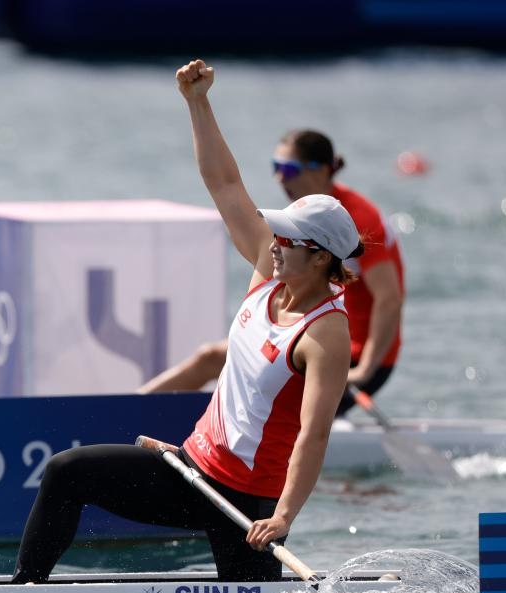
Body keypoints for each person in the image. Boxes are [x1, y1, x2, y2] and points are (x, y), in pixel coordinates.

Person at [12, 60, 363, 584]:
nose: (275, 244)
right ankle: (25, 592)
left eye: (288, 240)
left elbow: (313, 436)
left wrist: (284, 516)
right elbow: (224, 183)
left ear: (320, 258)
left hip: (247, 503)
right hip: (192, 471)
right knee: (67, 471)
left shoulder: (325, 333)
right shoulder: (268, 271)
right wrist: (197, 101)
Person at [139, 130, 404, 417]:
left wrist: (366, 370)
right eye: (275, 167)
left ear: (321, 170)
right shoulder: (302, 219)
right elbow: (224, 184)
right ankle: (127, 408)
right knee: (211, 357)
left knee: (231, 376)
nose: (279, 177)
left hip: (353, 356)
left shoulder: (358, 218)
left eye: (289, 169)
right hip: (305, 338)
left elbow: (389, 299)